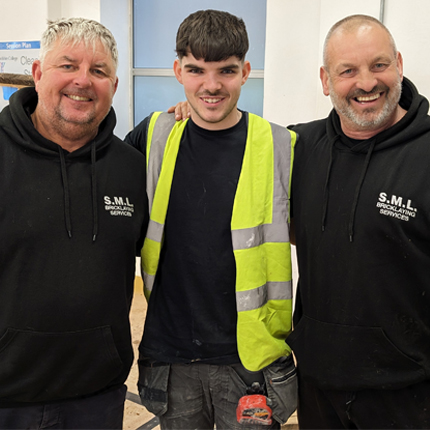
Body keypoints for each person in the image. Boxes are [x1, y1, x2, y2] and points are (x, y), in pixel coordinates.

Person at [125, 9, 297, 430]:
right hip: (172, 356)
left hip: (250, 361)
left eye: (227, 71)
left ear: (246, 72)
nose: (212, 85)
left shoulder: (282, 146)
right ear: (177, 71)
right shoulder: (154, 136)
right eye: (196, 70)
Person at [0, 18, 148, 429]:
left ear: (114, 86)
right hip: (6, 398)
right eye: (68, 65)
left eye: (99, 71)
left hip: (96, 396)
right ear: (37, 73)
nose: (82, 81)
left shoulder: (131, 168)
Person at [287, 14, 430, 429]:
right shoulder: (299, 147)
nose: (366, 83)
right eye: (347, 70)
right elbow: (228, 137)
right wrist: (190, 111)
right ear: (325, 79)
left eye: (379, 65)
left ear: (399, 64)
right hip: (316, 386)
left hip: (409, 393)